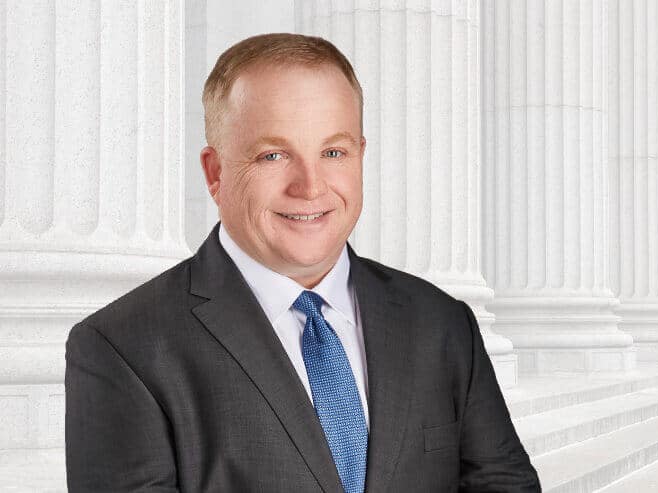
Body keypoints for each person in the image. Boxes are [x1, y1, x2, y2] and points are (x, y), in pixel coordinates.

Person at [65, 33, 540, 492]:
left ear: (360, 156)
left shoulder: (442, 322)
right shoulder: (123, 348)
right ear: (215, 172)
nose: (310, 187)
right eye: (273, 155)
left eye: (334, 152)